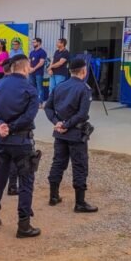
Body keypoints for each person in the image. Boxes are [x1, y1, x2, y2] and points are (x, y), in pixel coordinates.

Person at [0, 54, 41, 238]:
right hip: (21, 141)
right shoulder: (30, 89)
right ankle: (23, 225)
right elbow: (29, 116)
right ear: (25, 68)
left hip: (1, 140)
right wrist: (10, 127)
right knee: (26, 182)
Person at [45, 58, 98, 213]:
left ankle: (53, 196)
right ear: (84, 71)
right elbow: (82, 114)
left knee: (58, 163)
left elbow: (48, 107)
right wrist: (66, 125)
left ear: (70, 71)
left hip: (60, 133)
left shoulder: (60, 87)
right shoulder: (84, 88)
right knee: (80, 165)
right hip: (75, 133)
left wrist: (57, 123)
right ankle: (80, 203)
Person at [28, 38, 48, 105]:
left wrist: (33, 69)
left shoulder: (42, 52)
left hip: (38, 73)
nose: (33, 43)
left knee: (40, 87)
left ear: (39, 43)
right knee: (32, 87)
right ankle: (33, 101)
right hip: (31, 73)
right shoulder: (32, 52)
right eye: (32, 42)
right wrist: (30, 68)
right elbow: (29, 61)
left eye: (34, 42)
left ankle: (40, 102)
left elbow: (41, 62)